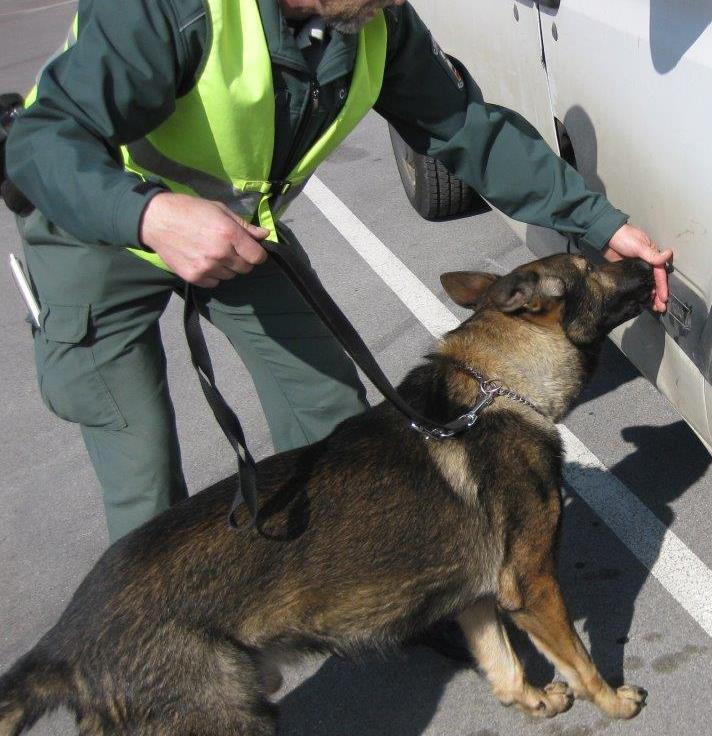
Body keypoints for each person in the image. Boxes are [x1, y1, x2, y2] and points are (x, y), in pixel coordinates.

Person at [5, 0, 672, 543]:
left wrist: (602, 225)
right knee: (143, 478)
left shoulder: (374, 20)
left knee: (332, 421)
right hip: (97, 225)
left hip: (236, 233)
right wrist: (153, 218)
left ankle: (373, 591)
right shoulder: (170, 7)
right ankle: (157, 669)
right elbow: (41, 139)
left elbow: (468, 129)